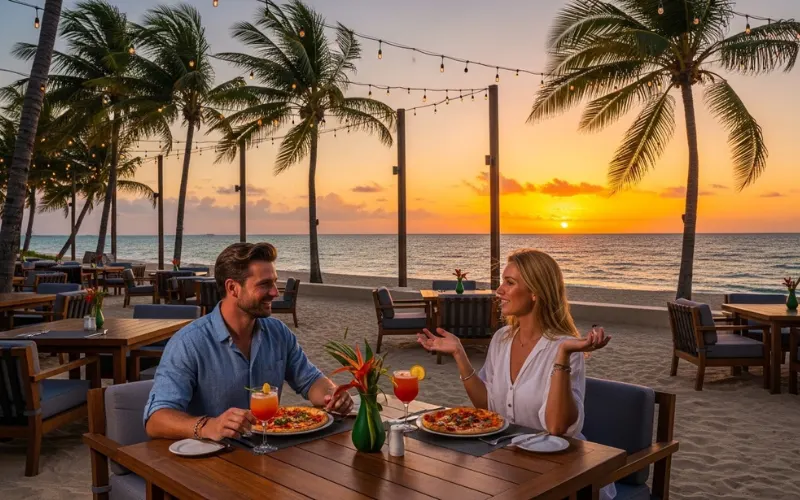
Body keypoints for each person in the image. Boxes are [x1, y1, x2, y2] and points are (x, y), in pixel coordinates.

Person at [417, 248, 614, 497]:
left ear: (535, 293)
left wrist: (563, 354)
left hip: (563, 477)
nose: (499, 290)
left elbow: (556, 428)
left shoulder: (565, 347)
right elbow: (486, 407)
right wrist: (459, 354)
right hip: (508, 464)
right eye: (503, 282)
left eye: (509, 283)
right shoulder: (501, 339)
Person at [144, 242, 352, 441]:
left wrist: (332, 396)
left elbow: (311, 381)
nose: (275, 292)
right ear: (233, 288)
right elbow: (156, 419)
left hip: (270, 450)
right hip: (212, 457)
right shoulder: (189, 342)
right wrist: (210, 426)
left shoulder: (278, 333)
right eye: (265, 284)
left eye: (274, 282)